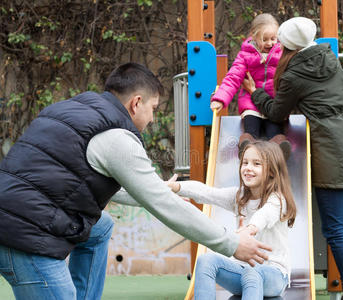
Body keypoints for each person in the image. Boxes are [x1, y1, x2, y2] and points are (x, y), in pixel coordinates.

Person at [0, 62, 272, 300]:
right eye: (153, 109)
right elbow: (164, 206)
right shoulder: (116, 137)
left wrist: (154, 189)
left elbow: (81, 177)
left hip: (13, 211)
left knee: (101, 226)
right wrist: (232, 244)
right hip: (25, 236)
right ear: (136, 102)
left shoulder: (71, 109)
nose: (153, 118)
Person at [242, 17, 343, 300]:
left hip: (330, 149)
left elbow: (277, 112)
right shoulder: (329, 58)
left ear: (288, 46)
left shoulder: (294, 74)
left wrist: (256, 92)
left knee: (335, 228)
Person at [167, 141, 296, 300]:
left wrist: (249, 229)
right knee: (206, 260)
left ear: (271, 171)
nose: (248, 167)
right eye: (245, 163)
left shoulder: (278, 199)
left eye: (256, 164)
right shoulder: (239, 197)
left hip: (274, 275)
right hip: (241, 270)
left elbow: (264, 215)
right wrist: (176, 188)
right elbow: (207, 192)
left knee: (253, 272)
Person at [209, 13, 290, 159]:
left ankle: (279, 147)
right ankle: (246, 146)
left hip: (273, 104)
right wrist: (220, 98)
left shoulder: (282, 54)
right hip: (251, 104)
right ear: (253, 36)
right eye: (264, 39)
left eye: (273, 39)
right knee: (251, 128)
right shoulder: (245, 55)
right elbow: (233, 77)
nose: (270, 43)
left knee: (275, 130)